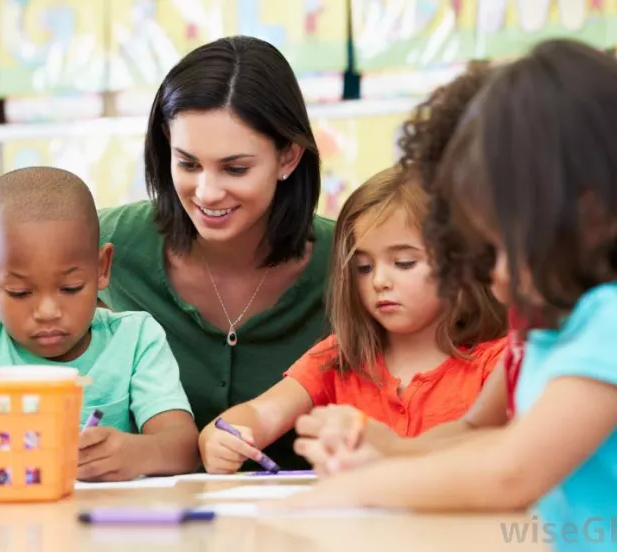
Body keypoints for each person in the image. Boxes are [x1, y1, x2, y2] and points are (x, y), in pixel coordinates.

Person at [276, 40, 617, 552]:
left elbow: (511, 470)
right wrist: (387, 452)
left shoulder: (608, 322)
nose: (494, 278)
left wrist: (361, 488)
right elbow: (482, 434)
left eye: (503, 248)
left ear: (587, 214)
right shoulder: (552, 331)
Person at [98, 36, 334, 469]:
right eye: (187, 164)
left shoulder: (352, 261)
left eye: (235, 168)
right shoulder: (106, 243)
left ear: (289, 157)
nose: (206, 192)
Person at [293, 61, 526, 473]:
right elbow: (471, 431)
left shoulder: (595, 332)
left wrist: (374, 468)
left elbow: (511, 471)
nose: (477, 266)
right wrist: (382, 450)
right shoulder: (533, 333)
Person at [199, 166, 507, 473]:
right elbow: (260, 414)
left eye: (403, 263)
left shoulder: (499, 362)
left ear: (462, 264)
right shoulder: (339, 356)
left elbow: (502, 458)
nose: (379, 281)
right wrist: (220, 438)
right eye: (363, 267)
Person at [0, 167, 199, 482]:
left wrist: (136, 453)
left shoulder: (135, 338)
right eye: (20, 292)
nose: (48, 311)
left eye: (70, 288)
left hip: (107, 525)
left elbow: (184, 447)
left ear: (102, 268)